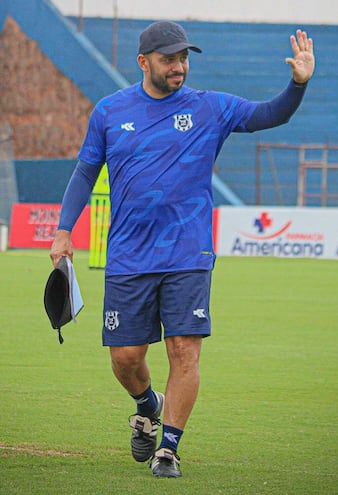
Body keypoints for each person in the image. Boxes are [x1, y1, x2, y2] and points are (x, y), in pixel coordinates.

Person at [50, 20, 315, 478]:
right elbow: (85, 172)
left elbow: (271, 114)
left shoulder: (211, 107)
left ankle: (168, 448)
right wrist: (62, 230)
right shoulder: (111, 112)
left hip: (188, 256)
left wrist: (297, 84)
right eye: (169, 59)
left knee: (184, 351)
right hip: (129, 257)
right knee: (125, 357)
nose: (179, 66)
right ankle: (146, 404)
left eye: (184, 58)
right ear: (143, 62)